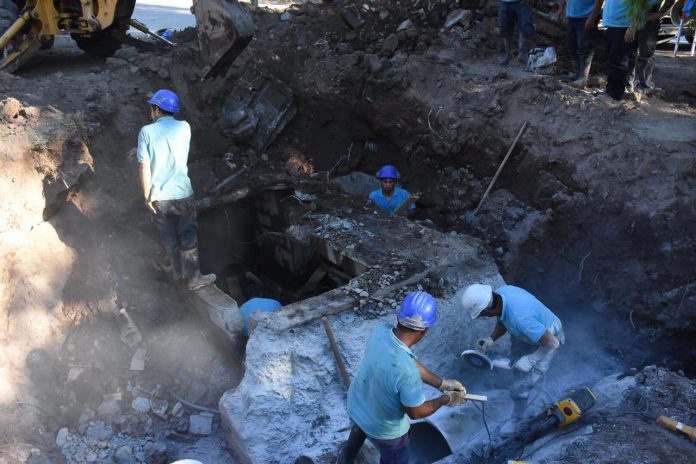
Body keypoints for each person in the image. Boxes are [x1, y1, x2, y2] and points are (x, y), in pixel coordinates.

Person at [337, 291, 468, 464]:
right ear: (424, 331)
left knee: (359, 431)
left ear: (399, 318)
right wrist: (446, 399)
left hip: (357, 405)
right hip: (384, 430)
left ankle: (344, 459)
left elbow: (408, 360)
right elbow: (416, 412)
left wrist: (441, 384)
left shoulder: (380, 332)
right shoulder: (407, 373)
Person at [137, 89, 216, 291]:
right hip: (183, 195)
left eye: (152, 107)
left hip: (159, 198)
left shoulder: (146, 132)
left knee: (169, 237)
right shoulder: (184, 127)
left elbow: (144, 166)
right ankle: (193, 279)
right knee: (188, 236)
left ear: (156, 109)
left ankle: (177, 274)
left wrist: (147, 196)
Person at [461, 284, 564, 422]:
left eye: (483, 314)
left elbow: (552, 343)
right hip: (531, 335)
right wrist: (491, 339)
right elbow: (503, 319)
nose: (484, 317)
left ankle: (517, 419)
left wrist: (531, 360)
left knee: (522, 386)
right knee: (515, 365)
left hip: (550, 340)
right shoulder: (502, 295)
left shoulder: (521, 319)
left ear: (489, 308)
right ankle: (515, 386)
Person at [626, 0, 676, 93]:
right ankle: (628, 84)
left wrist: (660, 13)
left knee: (646, 54)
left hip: (648, 18)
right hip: (631, 15)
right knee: (629, 52)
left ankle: (644, 86)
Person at [557, 0, 602, 88]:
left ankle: (583, 78)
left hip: (586, 16)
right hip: (572, 15)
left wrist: (592, 17)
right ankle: (576, 74)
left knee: (585, 47)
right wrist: (561, 8)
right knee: (571, 45)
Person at [601, 0, 635, 101]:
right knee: (612, 59)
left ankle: (616, 94)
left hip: (623, 26)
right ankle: (610, 90)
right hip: (612, 25)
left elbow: (638, 7)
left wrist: (632, 26)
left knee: (618, 61)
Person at [498, 0, 535, 65]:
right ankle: (508, 55)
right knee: (505, 28)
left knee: (525, 26)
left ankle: (522, 54)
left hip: (521, 2)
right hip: (505, 2)